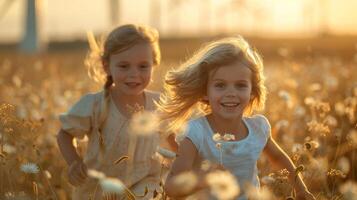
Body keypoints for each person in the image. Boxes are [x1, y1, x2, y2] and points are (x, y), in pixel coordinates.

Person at [158, 36, 316, 200]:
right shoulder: (195, 132)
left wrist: (300, 190)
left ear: (252, 91)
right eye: (220, 85)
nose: (231, 93)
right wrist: (202, 180)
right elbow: (171, 187)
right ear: (205, 91)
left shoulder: (258, 128)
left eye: (240, 85)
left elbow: (278, 158)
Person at [57, 24, 163, 200]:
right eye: (124, 66)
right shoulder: (95, 105)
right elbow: (64, 134)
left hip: (145, 184)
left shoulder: (158, 103)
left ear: (154, 64)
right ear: (107, 67)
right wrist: (74, 162)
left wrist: (192, 163)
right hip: (98, 188)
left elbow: (176, 138)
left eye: (143, 66)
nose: (134, 74)